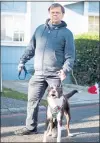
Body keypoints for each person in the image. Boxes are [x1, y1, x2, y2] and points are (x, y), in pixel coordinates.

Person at [14, 3, 75, 136]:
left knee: (55, 105)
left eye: (58, 12)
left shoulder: (67, 33)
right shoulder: (39, 30)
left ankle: (53, 128)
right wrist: (22, 62)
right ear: (49, 13)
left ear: (62, 15)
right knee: (32, 101)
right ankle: (31, 127)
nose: (55, 14)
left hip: (55, 74)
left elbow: (70, 56)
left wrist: (65, 70)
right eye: (53, 12)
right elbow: (31, 49)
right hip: (38, 74)